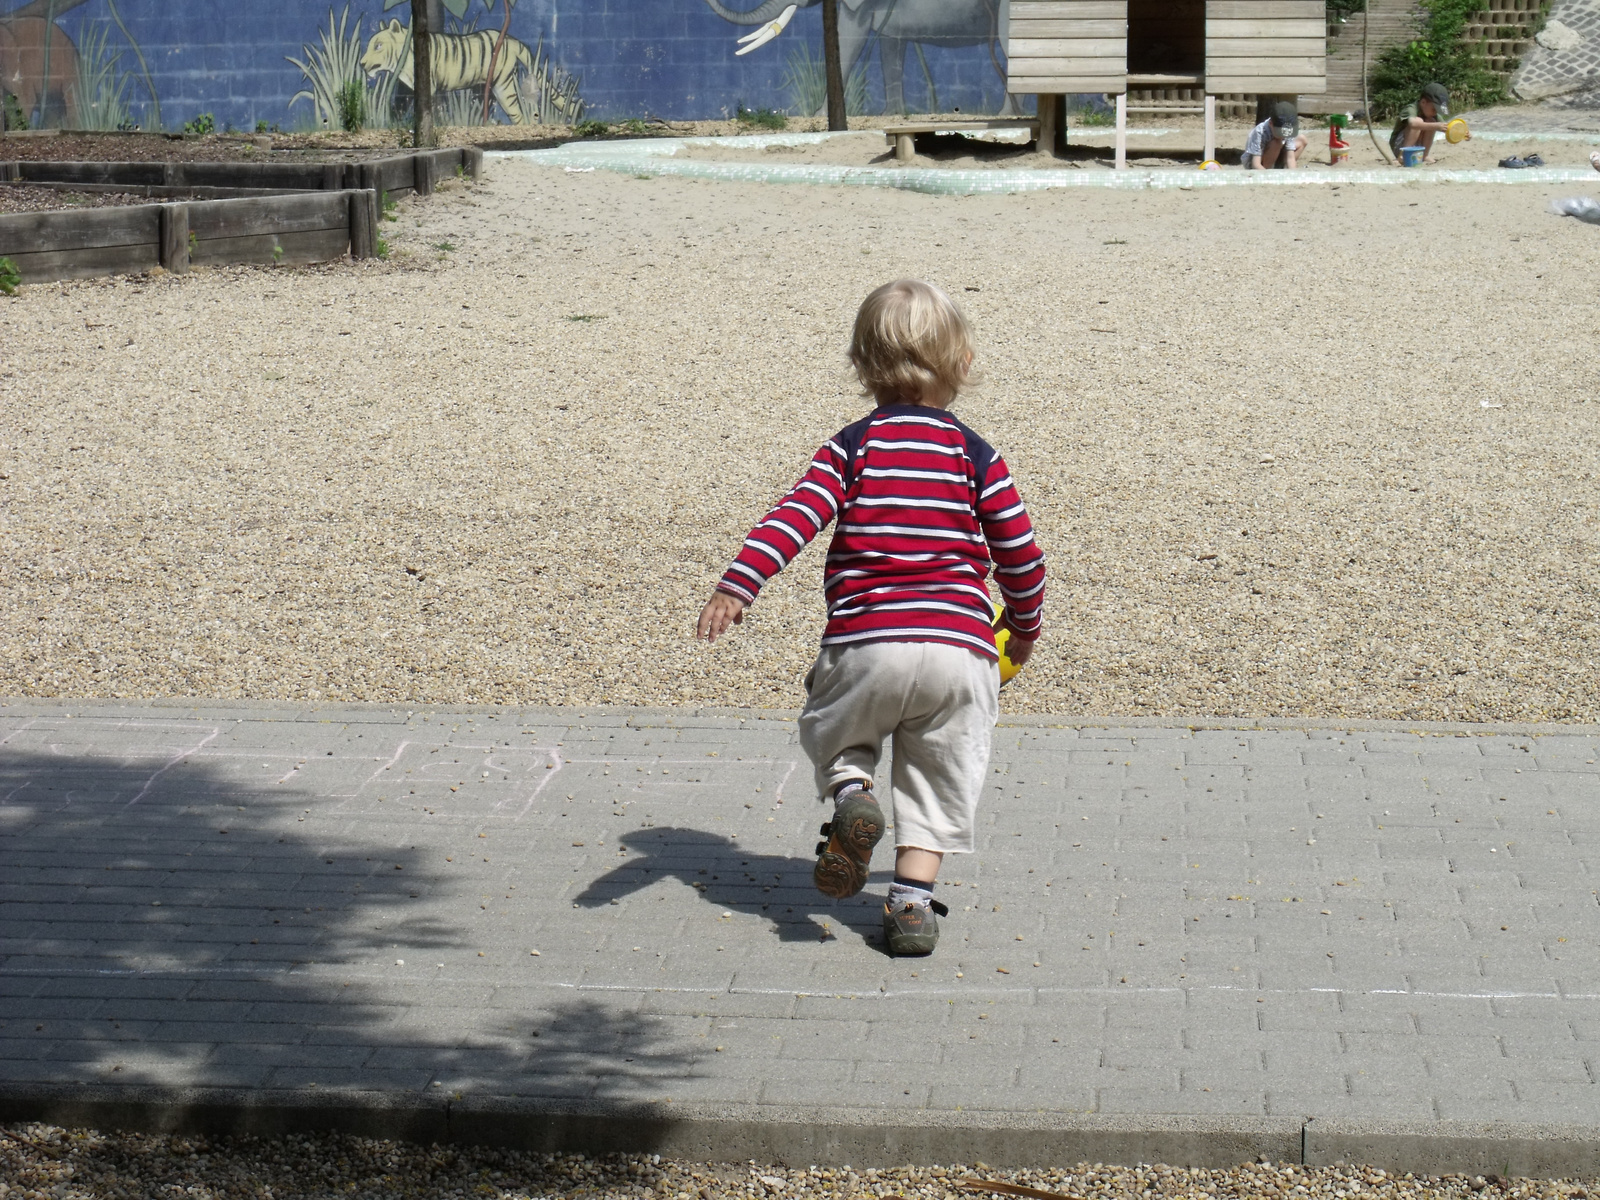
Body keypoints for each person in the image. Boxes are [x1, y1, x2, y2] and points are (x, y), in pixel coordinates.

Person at [694, 279, 1046, 957]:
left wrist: (738, 585)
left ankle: (853, 791)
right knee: (940, 772)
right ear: (963, 364)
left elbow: (793, 517)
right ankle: (911, 908)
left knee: (837, 728)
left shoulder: (851, 447)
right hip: (961, 649)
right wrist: (1022, 628)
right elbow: (1020, 553)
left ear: (860, 365)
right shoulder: (976, 456)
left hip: (866, 641)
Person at [1391, 82, 1451, 162]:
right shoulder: (1411, 108)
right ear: (1423, 103)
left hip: (1418, 147)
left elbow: (1448, 127)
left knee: (1431, 121)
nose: (1435, 113)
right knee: (1419, 122)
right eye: (1434, 109)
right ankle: (1403, 156)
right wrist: (1436, 126)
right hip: (1399, 145)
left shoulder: (1433, 115)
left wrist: (1463, 133)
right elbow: (1413, 124)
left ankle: (1424, 155)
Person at [1241, 101, 1307, 169]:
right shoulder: (1260, 132)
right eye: (1280, 133)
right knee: (1276, 142)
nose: (1283, 136)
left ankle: (1282, 170)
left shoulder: (1287, 129)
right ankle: (1268, 172)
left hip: (1276, 155)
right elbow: (1255, 164)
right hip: (1256, 164)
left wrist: (1293, 174)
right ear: (1271, 124)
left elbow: (1290, 158)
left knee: (1302, 139)